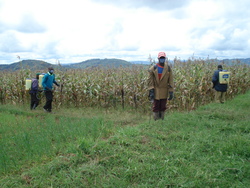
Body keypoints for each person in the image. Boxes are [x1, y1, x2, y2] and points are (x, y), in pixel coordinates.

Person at [148, 52, 174, 120]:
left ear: (165, 58)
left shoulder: (168, 68)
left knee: (163, 106)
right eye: (161, 58)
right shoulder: (153, 68)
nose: (162, 59)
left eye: (163, 58)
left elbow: (170, 80)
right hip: (156, 90)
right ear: (158, 59)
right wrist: (151, 90)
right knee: (156, 106)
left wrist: (171, 91)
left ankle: (162, 119)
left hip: (164, 90)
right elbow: (150, 81)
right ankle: (156, 120)